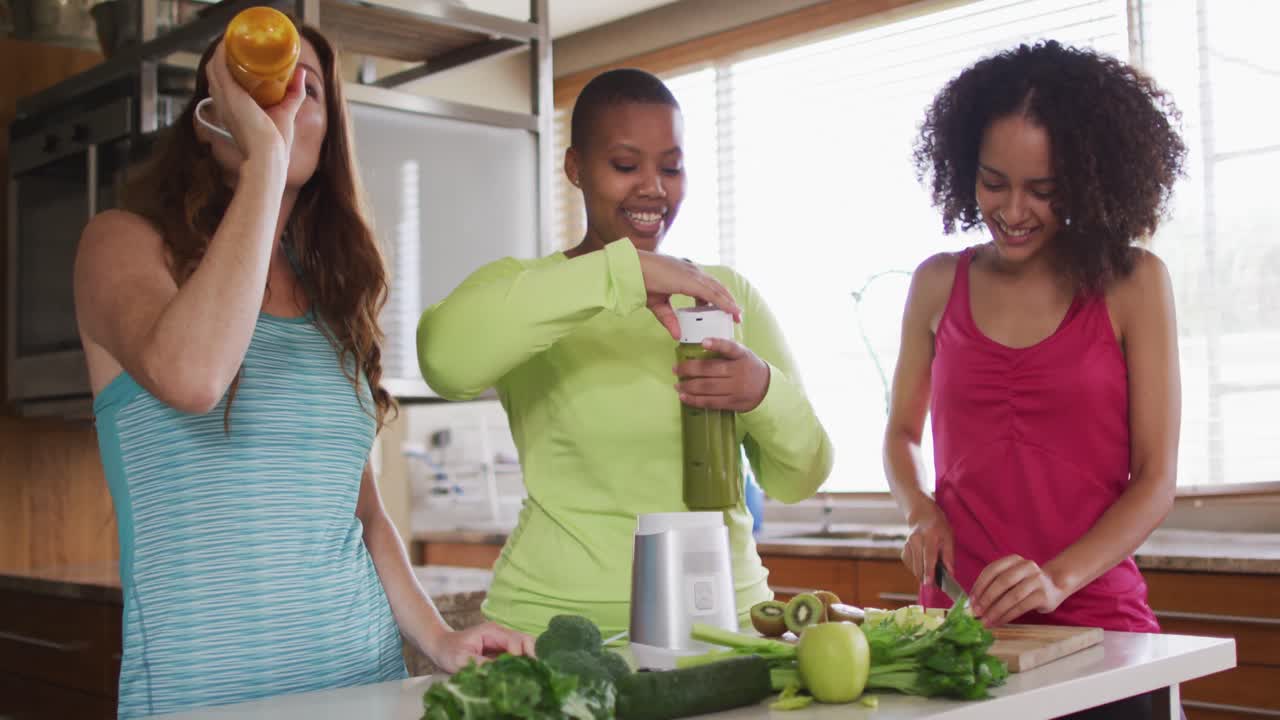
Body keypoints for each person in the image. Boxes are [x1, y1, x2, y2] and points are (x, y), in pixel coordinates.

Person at [73, 25, 531, 718]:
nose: (281, 106)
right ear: (209, 118)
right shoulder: (122, 245)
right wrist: (264, 160)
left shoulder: (335, 304)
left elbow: (365, 513)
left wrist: (439, 639)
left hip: (361, 687)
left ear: (330, 133)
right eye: (255, 87)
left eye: (306, 90)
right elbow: (193, 376)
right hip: (200, 700)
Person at [417, 68, 834, 638]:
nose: (653, 188)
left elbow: (800, 478)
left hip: (724, 626)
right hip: (550, 633)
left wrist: (762, 390)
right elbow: (445, 362)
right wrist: (622, 273)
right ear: (575, 168)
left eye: (670, 167)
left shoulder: (722, 294)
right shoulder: (531, 291)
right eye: (625, 165)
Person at [883, 40, 1184, 715]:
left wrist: (1056, 579)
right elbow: (902, 434)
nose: (1013, 210)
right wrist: (918, 510)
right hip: (962, 630)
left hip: (1099, 627)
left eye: (1043, 190)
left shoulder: (1133, 283)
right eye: (995, 183)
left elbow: (1156, 478)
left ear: (1085, 180)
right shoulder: (937, 283)